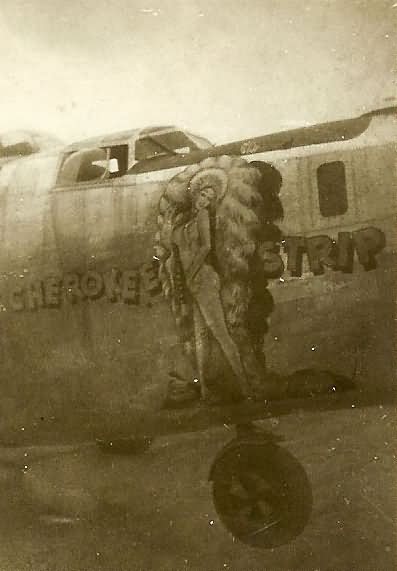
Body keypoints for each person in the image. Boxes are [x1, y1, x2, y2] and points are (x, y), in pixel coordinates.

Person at [171, 185, 250, 402]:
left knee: (219, 332)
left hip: (203, 279)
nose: (204, 201)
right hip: (192, 282)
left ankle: (245, 386)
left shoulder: (203, 217)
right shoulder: (183, 220)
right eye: (203, 194)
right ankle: (205, 390)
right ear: (196, 194)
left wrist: (190, 274)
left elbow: (206, 247)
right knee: (200, 337)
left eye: (209, 198)